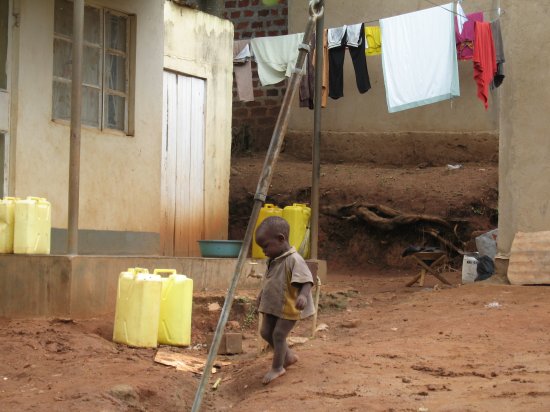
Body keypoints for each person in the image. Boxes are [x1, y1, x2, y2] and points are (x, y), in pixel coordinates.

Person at [255, 216, 315, 384]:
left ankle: (277, 367)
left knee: (279, 334)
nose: (263, 251)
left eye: (266, 246)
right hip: (273, 305)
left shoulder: (294, 259)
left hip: (288, 306)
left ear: (281, 239)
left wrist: (303, 295)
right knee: (265, 332)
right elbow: (269, 281)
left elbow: (307, 280)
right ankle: (287, 356)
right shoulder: (273, 260)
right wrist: (260, 297)